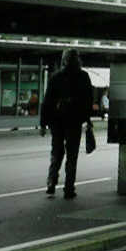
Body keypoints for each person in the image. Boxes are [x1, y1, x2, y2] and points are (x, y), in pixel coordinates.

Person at [39, 49, 93, 199]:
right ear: (78, 60)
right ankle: (69, 188)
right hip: (74, 121)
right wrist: (87, 119)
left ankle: (51, 182)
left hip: (57, 121)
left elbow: (47, 102)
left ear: (64, 60)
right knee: (72, 155)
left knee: (56, 152)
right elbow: (88, 101)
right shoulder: (83, 77)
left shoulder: (56, 77)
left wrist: (43, 124)